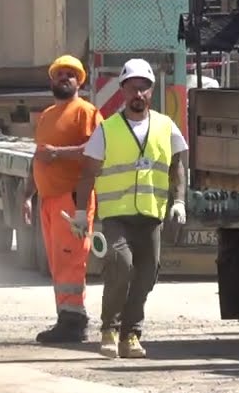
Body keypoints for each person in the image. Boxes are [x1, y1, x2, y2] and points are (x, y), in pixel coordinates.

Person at [69, 58, 188, 359]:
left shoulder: (166, 127)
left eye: (144, 88)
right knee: (122, 265)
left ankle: (130, 335)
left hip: (150, 215)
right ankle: (109, 327)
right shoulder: (106, 130)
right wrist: (82, 213)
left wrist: (179, 202)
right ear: (123, 90)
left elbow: (178, 167)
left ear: (151, 92)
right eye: (133, 88)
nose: (139, 94)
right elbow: (87, 174)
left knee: (148, 274)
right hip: (116, 215)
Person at [21, 54, 102, 344]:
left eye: (71, 74)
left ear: (79, 81)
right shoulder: (46, 116)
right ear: (52, 81)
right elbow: (38, 156)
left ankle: (74, 320)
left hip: (73, 198)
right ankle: (65, 316)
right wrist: (28, 194)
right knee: (57, 262)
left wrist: (58, 153)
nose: (64, 78)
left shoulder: (86, 112)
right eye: (59, 74)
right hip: (49, 199)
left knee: (71, 260)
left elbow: (95, 151)